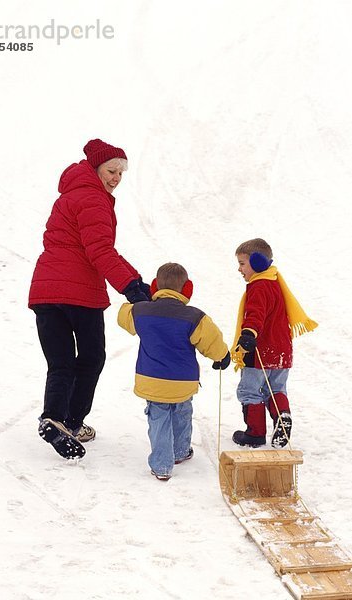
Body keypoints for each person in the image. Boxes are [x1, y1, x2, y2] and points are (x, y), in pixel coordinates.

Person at [29, 138, 150, 460]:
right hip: (79, 293)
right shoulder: (94, 200)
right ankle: (72, 420)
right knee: (92, 357)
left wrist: (136, 280)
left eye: (121, 174)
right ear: (95, 168)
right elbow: (99, 250)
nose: (116, 179)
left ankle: (53, 418)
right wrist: (131, 287)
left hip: (44, 290)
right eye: (111, 171)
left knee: (61, 362)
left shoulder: (69, 196)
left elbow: (100, 249)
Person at [117, 262, 230, 481]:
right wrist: (222, 357)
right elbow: (212, 341)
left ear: (155, 287)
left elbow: (123, 316)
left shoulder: (140, 312)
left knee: (158, 420)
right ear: (187, 289)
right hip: (183, 381)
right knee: (182, 413)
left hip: (152, 381)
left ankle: (161, 465)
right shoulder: (195, 317)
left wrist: (142, 299)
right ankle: (180, 451)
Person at [231, 238, 318, 448]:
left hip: (259, 350)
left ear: (259, 262)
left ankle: (255, 433)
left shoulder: (258, 286)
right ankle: (282, 415)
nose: (239, 269)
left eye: (243, 263)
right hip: (282, 350)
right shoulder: (275, 283)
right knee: (276, 388)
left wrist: (248, 334)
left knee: (249, 391)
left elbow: (255, 314)